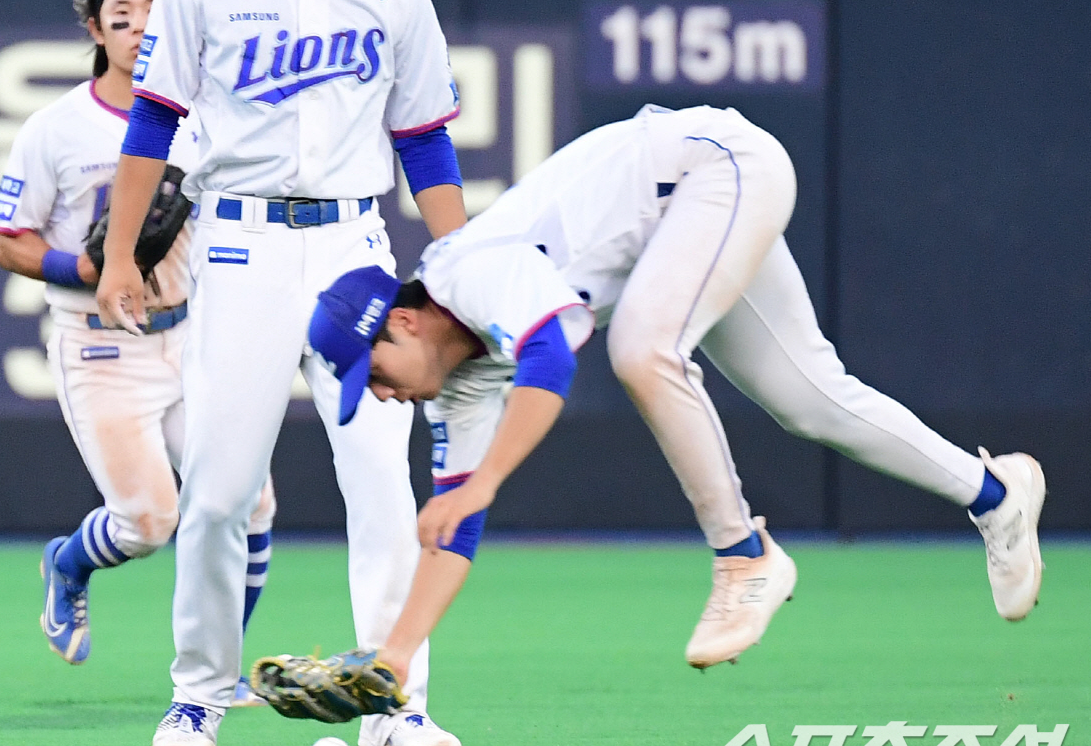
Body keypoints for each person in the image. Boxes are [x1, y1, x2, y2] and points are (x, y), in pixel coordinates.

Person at [283, 102, 1044, 705]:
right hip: (674, 229)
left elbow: (551, 359)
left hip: (713, 166)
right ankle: (994, 494)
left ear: (407, 319)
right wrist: (391, 661)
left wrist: (482, 483)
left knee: (643, 350)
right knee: (811, 401)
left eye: (373, 366)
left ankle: (743, 559)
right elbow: (457, 527)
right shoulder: (460, 383)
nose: (379, 391)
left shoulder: (467, 278)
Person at [94, 0, 470, 746]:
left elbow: (423, 141)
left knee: (382, 480)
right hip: (242, 244)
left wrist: (460, 268)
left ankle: (399, 697)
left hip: (353, 245)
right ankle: (201, 691)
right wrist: (126, 258)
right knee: (219, 488)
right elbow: (155, 121)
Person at [0, 0, 277, 706]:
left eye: (156, 11)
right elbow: (7, 240)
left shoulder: (212, 120)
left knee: (251, 504)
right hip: (101, 346)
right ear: (96, 29)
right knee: (150, 521)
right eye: (123, 16)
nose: (141, 28)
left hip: (192, 334)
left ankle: (221, 671)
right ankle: (70, 564)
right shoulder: (57, 128)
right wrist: (82, 269)